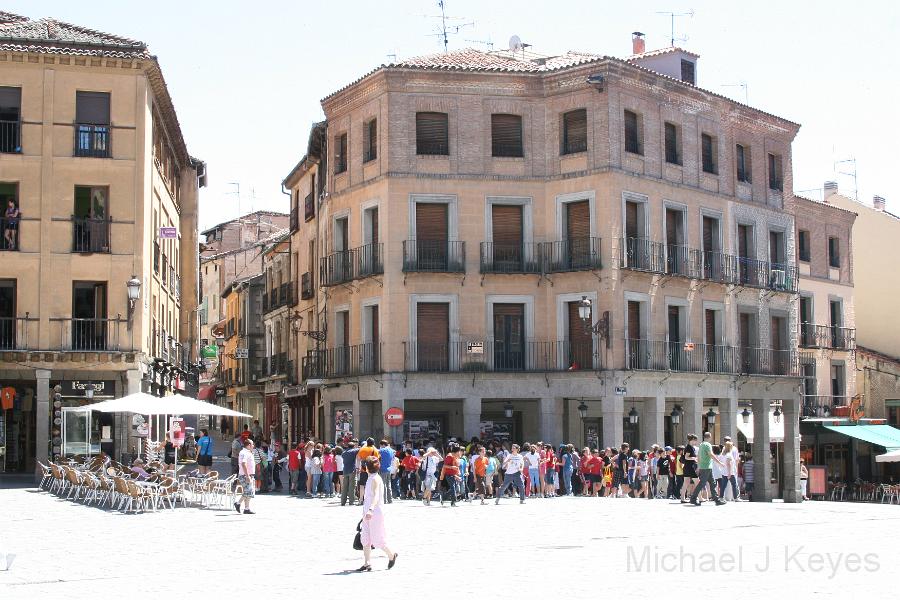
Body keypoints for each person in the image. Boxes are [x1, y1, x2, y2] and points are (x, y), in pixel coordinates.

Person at [357, 456, 398, 572]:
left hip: (375, 512)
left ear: (366, 468)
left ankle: (392, 555)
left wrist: (370, 509)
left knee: (377, 539)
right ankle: (367, 563)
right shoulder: (371, 478)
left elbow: (375, 496)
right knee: (365, 537)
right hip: (367, 511)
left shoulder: (375, 479)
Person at [689, 432, 727, 506]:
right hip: (706, 467)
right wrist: (720, 463)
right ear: (710, 437)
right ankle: (693, 498)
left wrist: (699, 466)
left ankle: (717, 499)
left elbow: (699, 456)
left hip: (705, 467)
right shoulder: (708, 445)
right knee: (702, 483)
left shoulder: (701, 444)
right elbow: (711, 454)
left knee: (712, 483)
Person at [235, 438, 256, 514]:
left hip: (247, 474)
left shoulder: (245, 452)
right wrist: (247, 476)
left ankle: (247, 508)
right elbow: (244, 464)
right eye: (252, 444)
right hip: (245, 475)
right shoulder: (245, 452)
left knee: (248, 492)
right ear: (249, 445)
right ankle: (238, 503)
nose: (253, 445)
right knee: (248, 491)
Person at [341, 440, 360, 506]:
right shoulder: (353, 451)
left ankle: (343, 502)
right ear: (353, 446)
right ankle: (351, 502)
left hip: (345, 470)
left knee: (345, 487)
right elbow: (360, 449)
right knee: (351, 487)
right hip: (352, 470)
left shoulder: (343, 453)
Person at [378, 440, 395, 504]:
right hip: (389, 469)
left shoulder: (383, 450)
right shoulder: (391, 450)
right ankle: (390, 499)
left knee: (383, 485)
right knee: (388, 485)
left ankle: (384, 500)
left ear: (382, 445)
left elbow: (377, 451)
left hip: (383, 469)